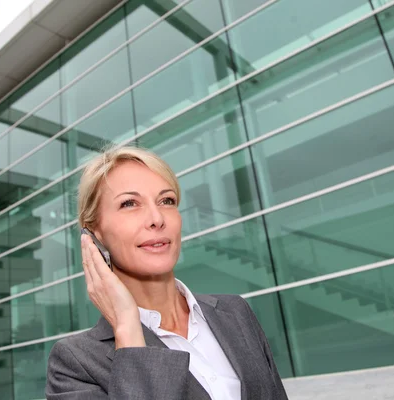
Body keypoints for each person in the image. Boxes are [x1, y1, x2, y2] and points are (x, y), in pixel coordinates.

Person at [45, 146, 288, 399]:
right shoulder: (75, 363)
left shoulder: (235, 311)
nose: (156, 218)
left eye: (166, 201)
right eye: (130, 203)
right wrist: (128, 330)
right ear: (93, 234)